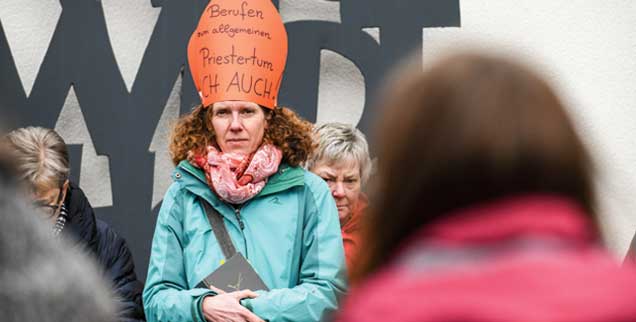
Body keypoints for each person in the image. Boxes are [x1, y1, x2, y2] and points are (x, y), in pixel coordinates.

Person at [337, 52, 636, 321]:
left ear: (409, 179)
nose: (339, 190)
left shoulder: (381, 310)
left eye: (349, 180)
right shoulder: (625, 297)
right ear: (567, 167)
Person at [142, 1, 346, 322]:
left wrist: (247, 310)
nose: (235, 124)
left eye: (247, 111)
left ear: (269, 119)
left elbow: (330, 294)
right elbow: (156, 299)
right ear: (208, 122)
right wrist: (203, 307)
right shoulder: (182, 197)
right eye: (223, 112)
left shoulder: (309, 193)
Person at [3, 126, 146, 322]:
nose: (29, 221)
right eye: (20, 206)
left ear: (63, 192)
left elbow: (126, 313)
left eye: (43, 208)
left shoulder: (107, 247)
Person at [306, 122, 371, 273]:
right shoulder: (286, 224)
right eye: (328, 179)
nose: (340, 192)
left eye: (350, 181)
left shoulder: (373, 238)